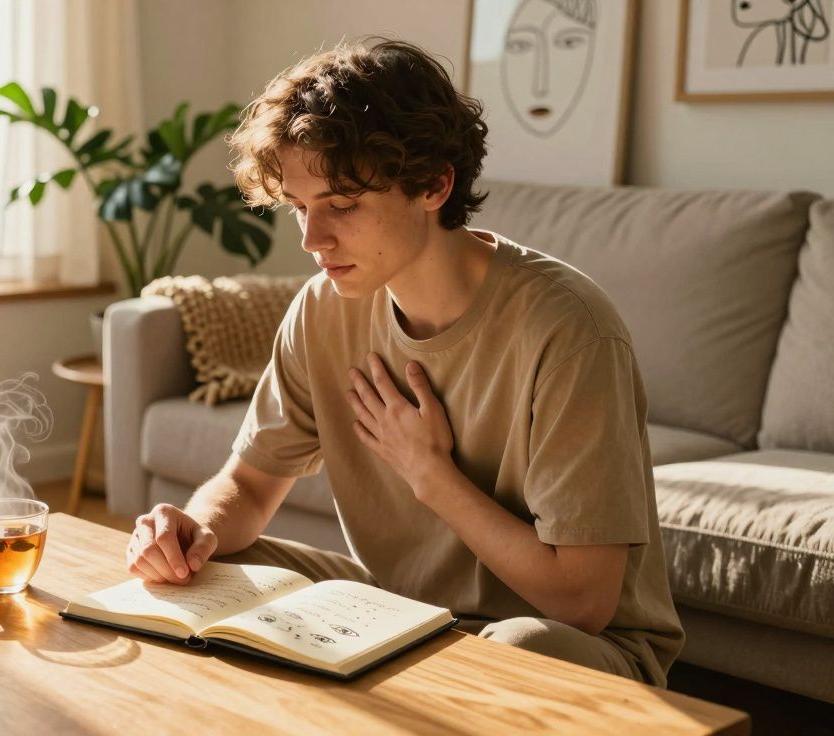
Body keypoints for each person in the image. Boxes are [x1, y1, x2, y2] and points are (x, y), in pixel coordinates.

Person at [123, 36, 683, 686]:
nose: (312, 239)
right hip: (400, 609)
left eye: (342, 205)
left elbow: (583, 602)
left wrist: (431, 474)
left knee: (517, 649)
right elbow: (247, 487)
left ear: (434, 184)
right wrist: (191, 531)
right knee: (207, 573)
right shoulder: (322, 310)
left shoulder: (568, 328)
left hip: (569, 641)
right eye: (301, 208)